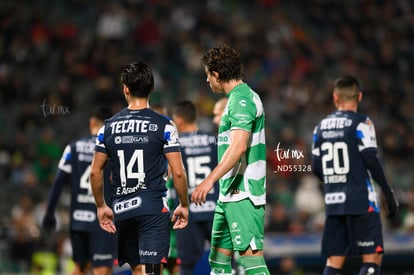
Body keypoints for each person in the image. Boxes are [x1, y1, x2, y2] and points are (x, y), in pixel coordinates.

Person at [90, 60, 189, 275]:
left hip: (122, 210)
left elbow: (95, 171)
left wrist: (101, 206)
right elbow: (179, 172)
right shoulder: (165, 125)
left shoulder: (106, 127)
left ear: (125, 88)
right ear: (151, 88)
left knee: (137, 271)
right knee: (152, 272)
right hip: (152, 211)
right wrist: (184, 204)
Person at [191, 45, 270, 275]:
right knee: (218, 263)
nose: (207, 81)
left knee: (252, 263)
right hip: (228, 194)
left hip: (244, 194)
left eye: (207, 75)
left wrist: (208, 181)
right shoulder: (235, 99)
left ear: (216, 74)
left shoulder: (242, 99)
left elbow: (238, 147)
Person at [311, 75, 399, 275]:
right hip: (361, 200)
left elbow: (316, 167)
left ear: (335, 97)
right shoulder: (362, 123)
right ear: (359, 96)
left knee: (334, 260)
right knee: (372, 256)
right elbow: (371, 159)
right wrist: (387, 191)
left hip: (334, 201)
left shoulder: (320, 127)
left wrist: (335, 182)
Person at [42, 106, 117, 275]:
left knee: (80, 268)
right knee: (102, 269)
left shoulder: (73, 148)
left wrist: (49, 213)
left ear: (92, 123)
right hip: (103, 221)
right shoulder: (112, 150)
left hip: (78, 220)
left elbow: (58, 182)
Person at [170, 100, 219, 275]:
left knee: (186, 266)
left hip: (187, 210)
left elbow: (170, 174)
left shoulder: (173, 145)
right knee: (224, 261)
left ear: (179, 120)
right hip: (214, 207)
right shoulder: (213, 139)